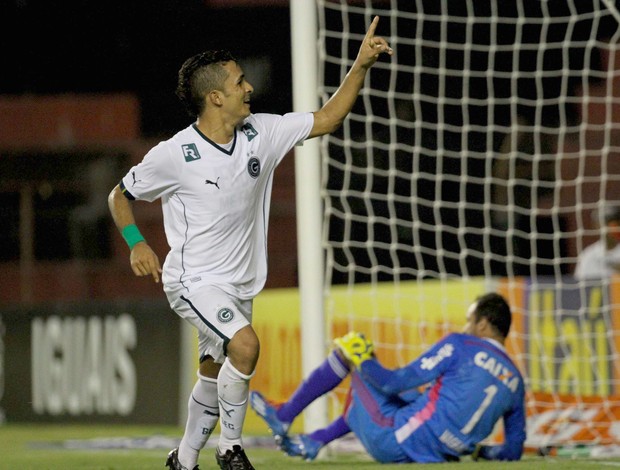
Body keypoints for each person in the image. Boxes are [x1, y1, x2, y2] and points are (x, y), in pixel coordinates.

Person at [107, 17, 393, 470]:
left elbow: (328, 118)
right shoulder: (175, 154)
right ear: (215, 96)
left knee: (214, 368)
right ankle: (231, 449)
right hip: (192, 280)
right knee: (245, 346)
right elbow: (119, 195)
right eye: (239, 81)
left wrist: (359, 65)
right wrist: (136, 243)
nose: (249, 88)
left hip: (239, 282)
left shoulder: (263, 132)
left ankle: (182, 461)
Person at [250, 292, 526, 463]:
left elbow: (393, 382)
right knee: (408, 397)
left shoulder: (461, 345)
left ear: (483, 324)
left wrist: (364, 359)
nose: (465, 326)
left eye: (469, 320)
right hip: (439, 455)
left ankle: (285, 415)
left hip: (396, 443)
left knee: (352, 350)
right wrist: (484, 453)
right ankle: (314, 440)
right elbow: (512, 450)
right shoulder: (515, 380)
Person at [574, 204, 620, 280]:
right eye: (602, 224)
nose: (607, 228)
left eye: (613, 224)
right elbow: (580, 285)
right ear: (595, 226)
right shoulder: (589, 255)